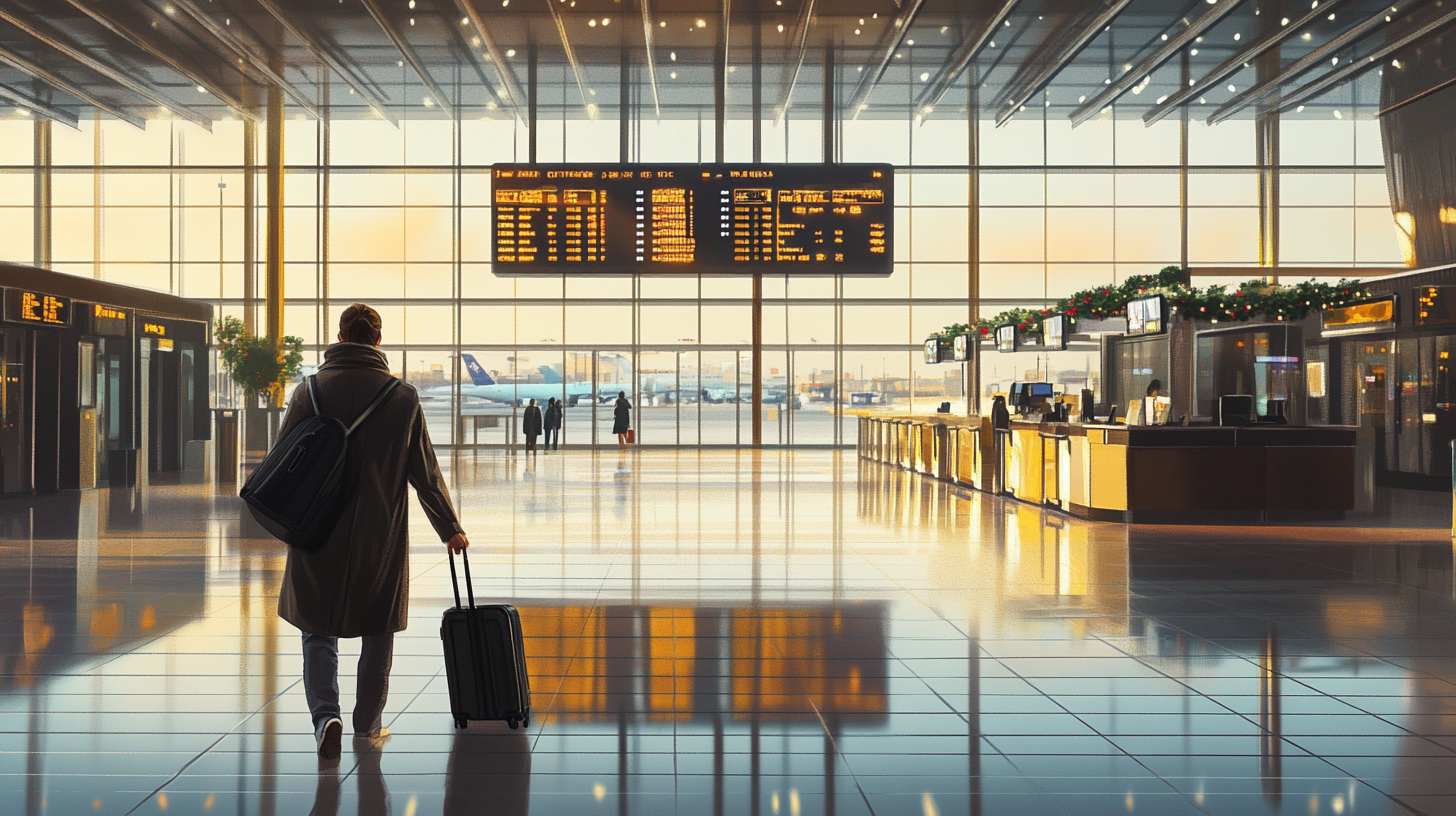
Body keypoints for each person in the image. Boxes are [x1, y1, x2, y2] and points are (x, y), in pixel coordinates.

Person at [274, 303, 469, 761]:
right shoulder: (401, 397)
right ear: (378, 341)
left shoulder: (310, 391)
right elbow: (425, 471)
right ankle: (368, 722)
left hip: (315, 527)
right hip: (378, 532)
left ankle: (327, 716)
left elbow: (284, 459)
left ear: (340, 337)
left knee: (316, 627)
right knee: (377, 628)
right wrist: (450, 528)